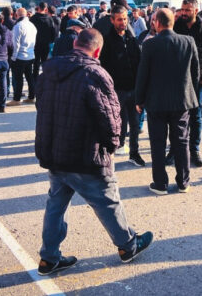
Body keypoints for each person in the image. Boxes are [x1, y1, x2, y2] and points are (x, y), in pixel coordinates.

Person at [35, 28, 153, 275]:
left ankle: (48, 257)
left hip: (55, 151)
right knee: (107, 202)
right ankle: (128, 245)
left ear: (75, 43)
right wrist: (112, 146)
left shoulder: (49, 71)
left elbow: (42, 107)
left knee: (55, 206)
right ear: (97, 50)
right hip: (85, 153)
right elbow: (111, 117)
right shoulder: (95, 73)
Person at [136, 8, 200, 195]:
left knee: (157, 143)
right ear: (172, 22)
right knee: (181, 141)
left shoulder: (150, 45)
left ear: (157, 22)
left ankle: (160, 183)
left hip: (156, 102)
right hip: (181, 100)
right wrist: (191, 94)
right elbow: (195, 72)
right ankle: (183, 182)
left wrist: (139, 99)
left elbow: (143, 75)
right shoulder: (188, 41)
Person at [174, 0, 202, 167]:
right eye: (182, 10)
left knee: (196, 117)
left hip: (198, 81)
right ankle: (176, 150)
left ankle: (194, 150)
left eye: (187, 10)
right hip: (178, 79)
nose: (184, 13)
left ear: (195, 10)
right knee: (177, 117)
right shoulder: (177, 27)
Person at [100, 5, 145, 167]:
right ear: (112, 20)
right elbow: (102, 68)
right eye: (119, 19)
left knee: (135, 124)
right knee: (114, 125)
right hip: (116, 91)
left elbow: (139, 63)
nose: (123, 22)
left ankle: (134, 153)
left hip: (133, 89)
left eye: (125, 19)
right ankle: (109, 155)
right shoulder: (107, 41)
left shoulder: (132, 39)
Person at [9, 7, 37, 105]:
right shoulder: (32, 25)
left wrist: (13, 57)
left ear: (17, 15)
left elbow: (16, 44)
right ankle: (32, 96)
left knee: (18, 78)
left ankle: (16, 99)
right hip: (30, 54)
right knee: (30, 77)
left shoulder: (18, 26)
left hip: (20, 56)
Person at [30, 2, 57, 79]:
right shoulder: (49, 19)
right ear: (46, 9)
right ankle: (45, 80)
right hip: (46, 44)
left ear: (38, 7)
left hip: (36, 44)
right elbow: (53, 32)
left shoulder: (33, 18)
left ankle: (35, 81)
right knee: (45, 63)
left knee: (36, 64)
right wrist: (51, 41)